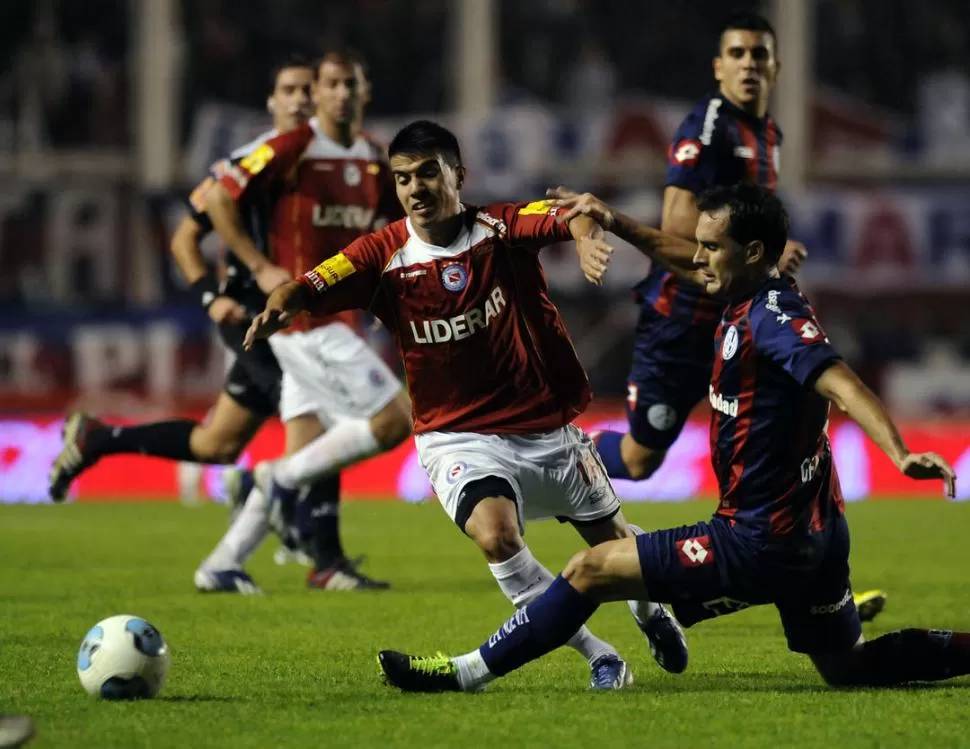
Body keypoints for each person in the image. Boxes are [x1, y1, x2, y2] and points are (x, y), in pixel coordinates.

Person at [374, 183, 966, 694]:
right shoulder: (757, 296)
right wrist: (614, 221)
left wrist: (899, 450)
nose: (697, 259)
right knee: (847, 667)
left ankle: (465, 672)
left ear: (753, 252)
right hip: (819, 532)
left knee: (588, 570)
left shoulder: (770, 319)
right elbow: (688, 263)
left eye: (711, 249)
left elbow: (840, 381)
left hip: (757, 539)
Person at [244, 119, 689, 690]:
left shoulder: (497, 227)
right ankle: (599, 656)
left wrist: (583, 237)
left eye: (428, 172)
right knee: (496, 536)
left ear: (458, 173)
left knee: (617, 549)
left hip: (543, 427)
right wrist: (282, 303)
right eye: (402, 178)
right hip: (456, 436)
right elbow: (310, 283)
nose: (415, 188)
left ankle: (650, 613)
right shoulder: (381, 254)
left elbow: (566, 214)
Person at [584, 9, 886, 622]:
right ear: (719, 66)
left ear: (776, 65)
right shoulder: (710, 128)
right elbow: (678, 239)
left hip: (734, 320)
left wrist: (772, 251)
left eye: (759, 54)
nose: (750, 64)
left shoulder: (766, 133)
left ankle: (786, 586)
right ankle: (560, 454)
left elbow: (743, 226)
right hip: (683, 319)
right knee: (641, 458)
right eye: (738, 54)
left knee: (766, 462)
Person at [194, 48, 412, 593]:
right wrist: (261, 265)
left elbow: (392, 237)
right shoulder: (292, 147)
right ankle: (277, 481)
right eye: (331, 84)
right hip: (307, 324)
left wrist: (392, 296)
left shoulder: (372, 160)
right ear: (316, 93)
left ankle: (221, 564)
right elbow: (218, 196)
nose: (340, 93)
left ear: (365, 91)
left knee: (308, 449)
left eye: (349, 84)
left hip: (340, 323)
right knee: (395, 421)